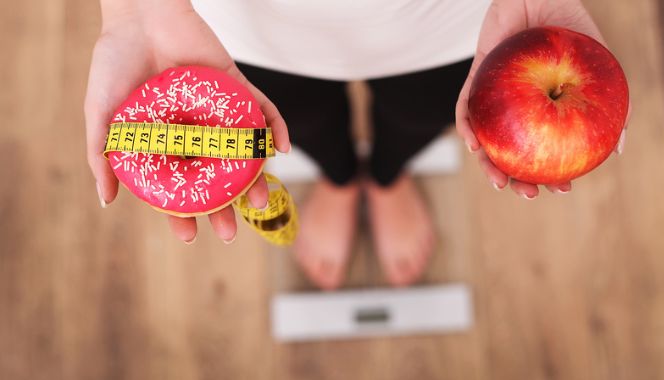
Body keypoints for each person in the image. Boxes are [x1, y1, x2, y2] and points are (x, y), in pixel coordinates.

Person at [85, 0, 624, 290]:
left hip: (455, 19)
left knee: (421, 114)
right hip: (242, 22)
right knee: (297, 123)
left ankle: (388, 177)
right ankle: (339, 178)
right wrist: (136, 9)